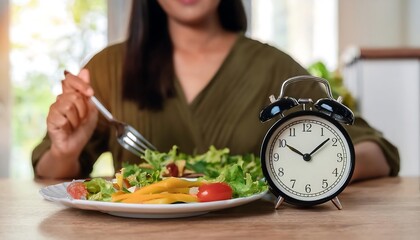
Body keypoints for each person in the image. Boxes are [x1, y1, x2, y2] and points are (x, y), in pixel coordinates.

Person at [32, 0, 399, 181]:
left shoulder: (273, 67)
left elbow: (377, 151)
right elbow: (50, 172)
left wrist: (303, 169)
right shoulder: (108, 68)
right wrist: (67, 151)